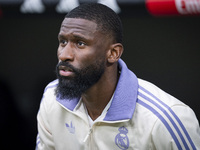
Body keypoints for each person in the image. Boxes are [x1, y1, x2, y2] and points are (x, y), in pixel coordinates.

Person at [36, 3, 200, 150]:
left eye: (80, 43)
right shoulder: (52, 97)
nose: (64, 55)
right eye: (63, 42)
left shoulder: (165, 118)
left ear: (113, 53)